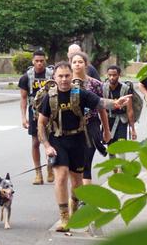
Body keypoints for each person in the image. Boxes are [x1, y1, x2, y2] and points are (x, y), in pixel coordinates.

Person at [38, 61, 128, 231]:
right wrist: (47, 146)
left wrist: (116, 103)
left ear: (72, 75)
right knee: (61, 176)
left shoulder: (80, 93)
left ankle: (74, 208)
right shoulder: (49, 97)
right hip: (58, 140)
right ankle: (64, 217)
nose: (64, 79)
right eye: (60, 76)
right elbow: (41, 124)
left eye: (67, 75)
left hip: (79, 139)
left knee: (77, 181)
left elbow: (100, 103)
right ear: (54, 78)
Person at [17, 49, 53, 185]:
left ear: (45, 61)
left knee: (51, 141)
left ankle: (50, 167)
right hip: (34, 113)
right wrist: (23, 118)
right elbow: (23, 98)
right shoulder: (26, 77)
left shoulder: (52, 75)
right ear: (33, 61)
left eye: (41, 61)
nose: (39, 63)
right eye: (36, 61)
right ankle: (38, 173)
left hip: (51, 112)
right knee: (35, 143)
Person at [69, 51, 105, 185]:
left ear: (86, 64)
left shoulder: (95, 84)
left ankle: (85, 196)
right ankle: (77, 194)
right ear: (70, 65)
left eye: (80, 62)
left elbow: (101, 108)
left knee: (87, 159)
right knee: (75, 162)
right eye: (74, 62)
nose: (77, 65)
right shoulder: (65, 83)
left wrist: (106, 130)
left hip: (92, 124)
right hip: (71, 126)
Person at [103, 65, 137, 150]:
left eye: (114, 75)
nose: (112, 77)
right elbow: (101, 107)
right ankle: (113, 163)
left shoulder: (126, 89)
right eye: (109, 75)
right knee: (110, 148)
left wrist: (132, 129)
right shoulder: (103, 88)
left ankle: (122, 163)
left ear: (119, 75)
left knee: (121, 147)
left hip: (122, 121)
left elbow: (129, 111)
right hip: (108, 120)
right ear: (107, 75)